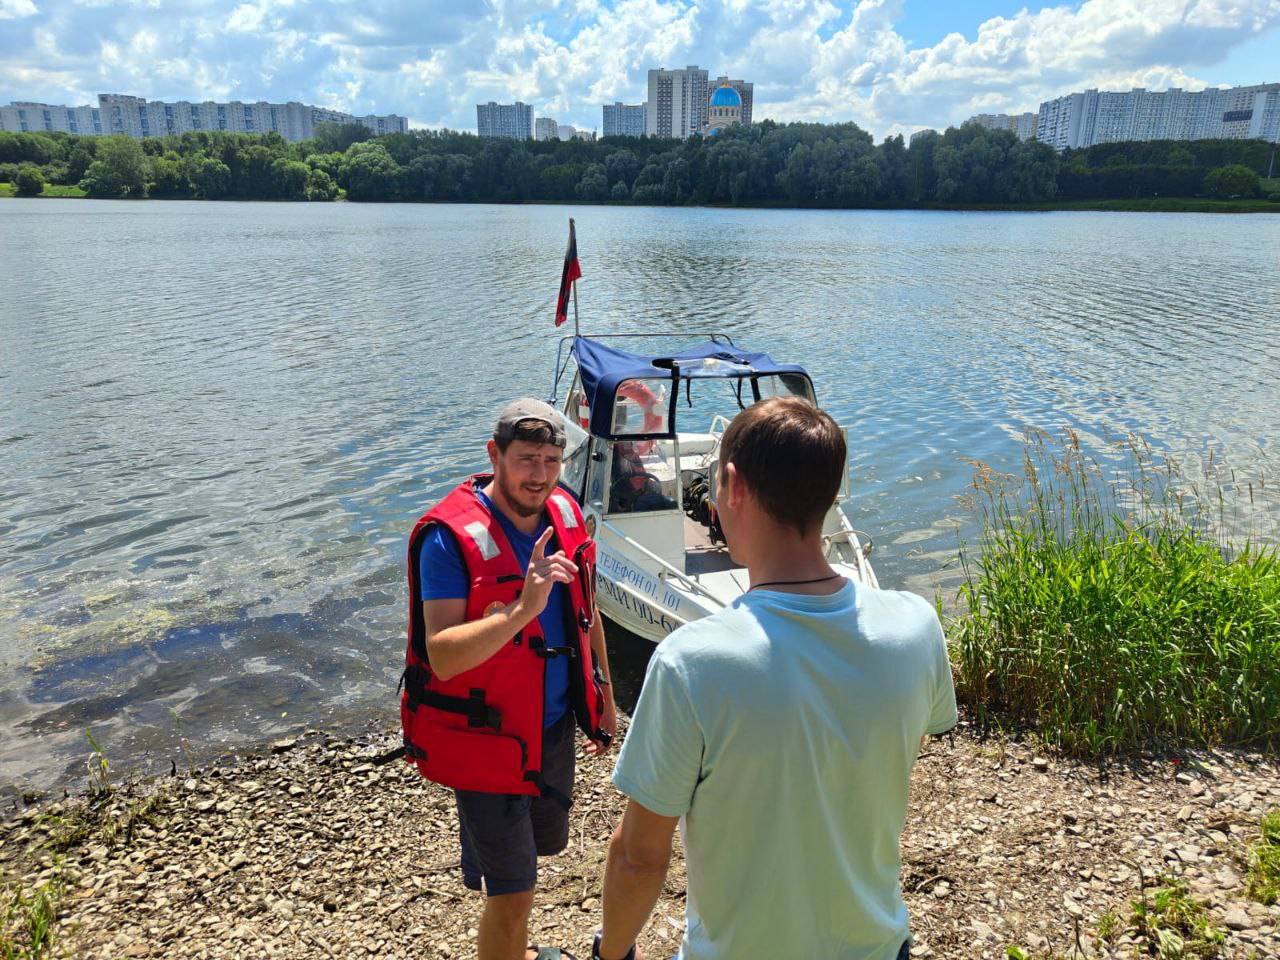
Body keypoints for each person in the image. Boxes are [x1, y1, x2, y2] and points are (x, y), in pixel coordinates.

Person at [594, 396, 957, 960]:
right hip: (879, 947)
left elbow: (640, 857)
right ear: (831, 493)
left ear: (733, 486)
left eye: (713, 484)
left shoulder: (691, 662)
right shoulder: (916, 626)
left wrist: (610, 952)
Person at [400, 398, 618, 960]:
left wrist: (603, 695)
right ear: (493, 454)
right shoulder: (448, 540)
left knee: (540, 856)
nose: (540, 474)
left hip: (547, 731)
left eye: (551, 459)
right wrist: (520, 609)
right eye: (526, 459)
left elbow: (586, 613)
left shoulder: (564, 514)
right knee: (513, 894)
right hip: (488, 739)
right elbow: (442, 655)